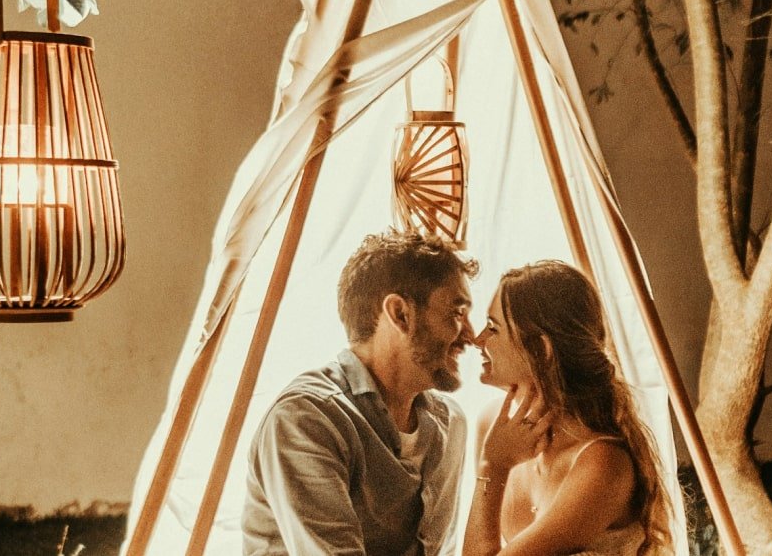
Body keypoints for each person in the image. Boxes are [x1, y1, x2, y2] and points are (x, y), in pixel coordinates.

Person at [243, 230, 478, 556]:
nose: (472, 336)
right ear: (400, 314)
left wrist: (494, 467)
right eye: (457, 313)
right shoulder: (306, 419)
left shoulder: (450, 423)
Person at [464, 261, 671, 556]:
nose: (478, 339)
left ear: (540, 350)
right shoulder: (494, 423)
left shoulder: (602, 462)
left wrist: (493, 466)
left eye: (493, 328)